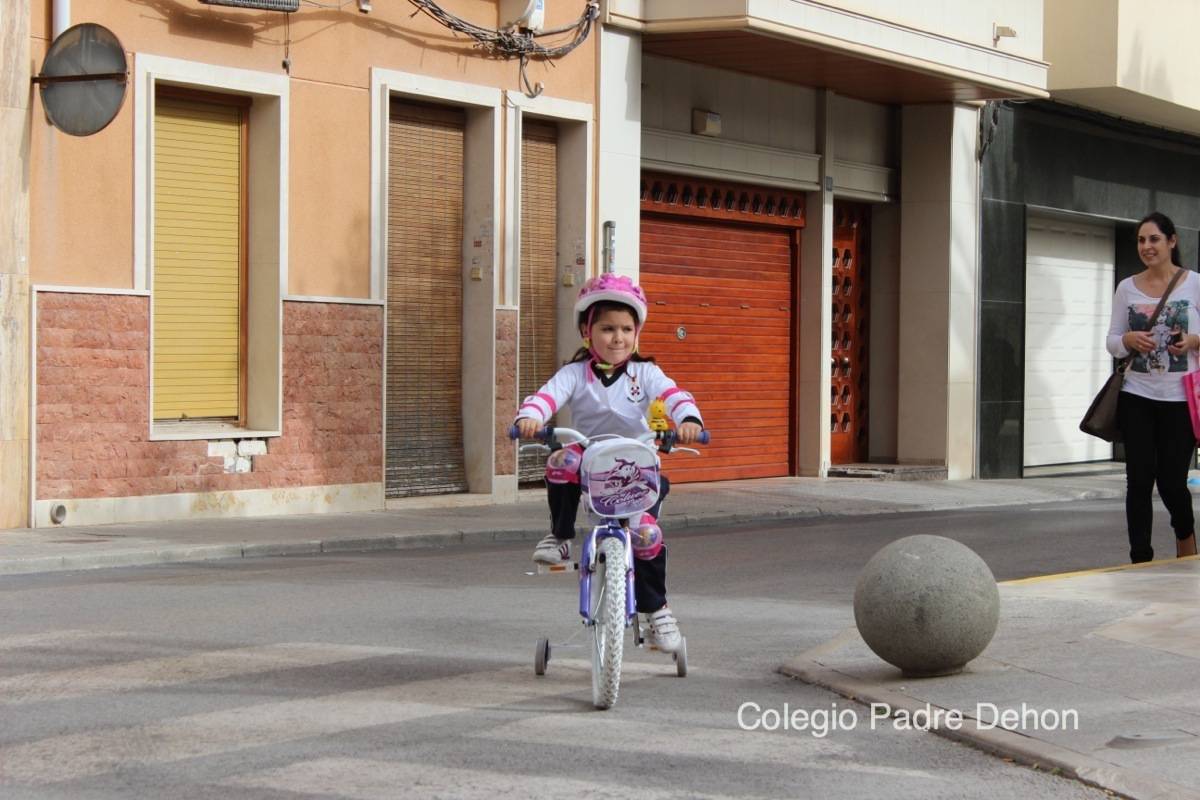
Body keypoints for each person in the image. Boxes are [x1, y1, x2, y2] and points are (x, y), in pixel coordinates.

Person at [514, 273, 704, 652]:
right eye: (607, 329)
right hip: (590, 459)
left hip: (635, 465)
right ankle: (562, 536)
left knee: (647, 536)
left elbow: (673, 395)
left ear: (637, 334)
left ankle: (657, 611)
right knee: (560, 459)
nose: (617, 338)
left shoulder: (646, 373)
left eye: (626, 329)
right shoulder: (574, 374)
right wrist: (530, 418)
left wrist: (689, 421)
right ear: (588, 332)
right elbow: (546, 397)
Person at [1106, 211, 1200, 562]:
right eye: (1141, 240)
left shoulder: (1195, 284)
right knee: (1139, 481)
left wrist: (1191, 341)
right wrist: (1128, 338)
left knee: (1173, 482)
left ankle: (1185, 533)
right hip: (1137, 396)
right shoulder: (1127, 288)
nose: (1146, 246)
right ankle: (1140, 557)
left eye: (1154, 239)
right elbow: (1112, 341)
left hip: (1180, 398)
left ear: (1172, 241)